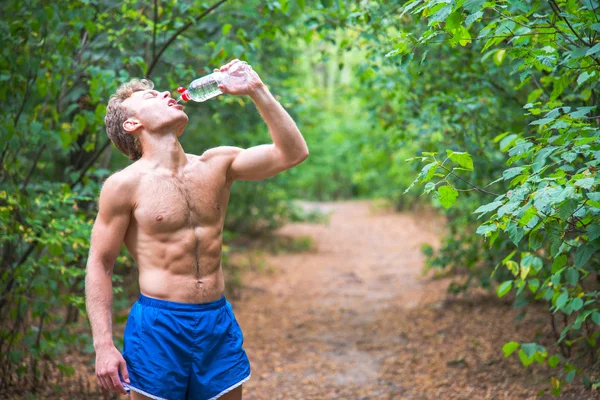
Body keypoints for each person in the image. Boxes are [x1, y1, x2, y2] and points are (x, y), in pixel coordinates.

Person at [85, 59, 309, 400]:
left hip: (216, 321)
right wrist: (103, 346)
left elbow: (292, 153)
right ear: (132, 124)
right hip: (159, 327)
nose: (162, 93)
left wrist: (256, 89)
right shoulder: (123, 186)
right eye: (149, 97)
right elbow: (99, 263)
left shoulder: (217, 164)